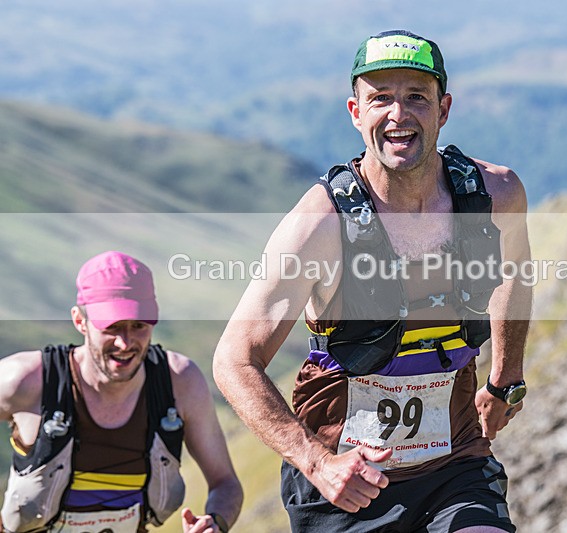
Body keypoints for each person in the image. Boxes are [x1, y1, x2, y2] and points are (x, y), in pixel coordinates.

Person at [214, 29, 531, 532]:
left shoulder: (494, 196)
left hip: (455, 465)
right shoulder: (321, 224)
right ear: (355, 112)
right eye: (380, 98)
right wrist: (318, 463)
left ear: (444, 109)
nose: (398, 115)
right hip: (347, 483)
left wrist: (505, 377)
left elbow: (514, 273)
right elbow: (234, 360)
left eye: (417, 97)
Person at [0, 251, 243, 533]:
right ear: (80, 321)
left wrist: (215, 522)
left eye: (138, 326)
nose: (125, 343)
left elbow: (226, 483)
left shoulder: (180, 383)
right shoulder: (25, 381)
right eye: (112, 327)